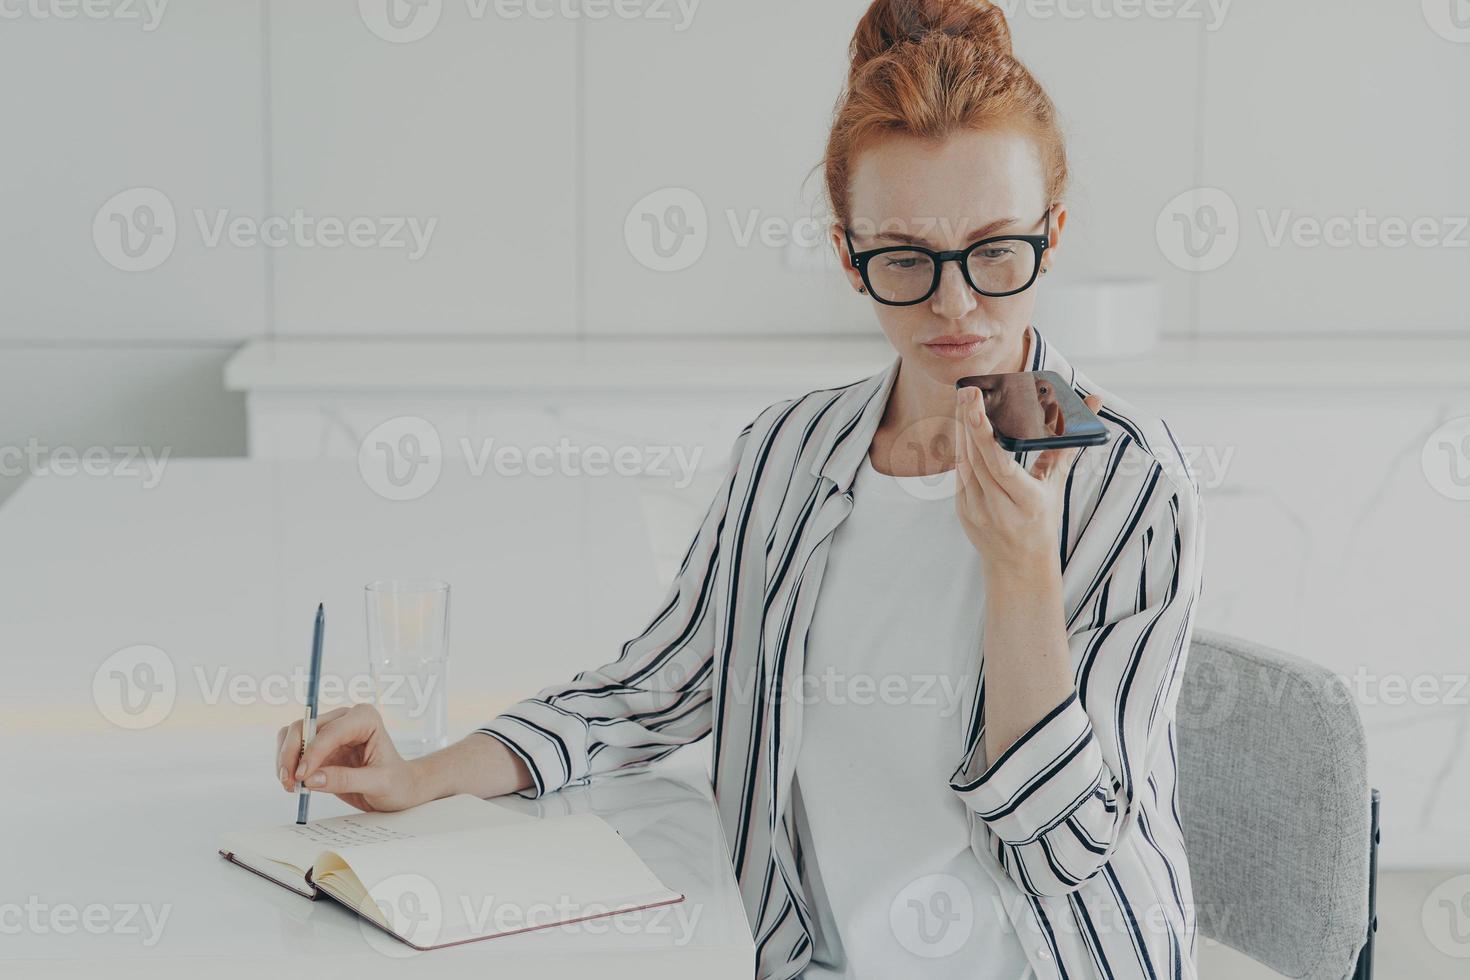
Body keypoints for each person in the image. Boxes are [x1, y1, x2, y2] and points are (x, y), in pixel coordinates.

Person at [275, 2, 1205, 977]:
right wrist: (418, 774)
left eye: (996, 251)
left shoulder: (1131, 486)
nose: (955, 301)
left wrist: (1020, 573)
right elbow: (647, 694)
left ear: (1052, 235)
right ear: (848, 257)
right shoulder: (785, 456)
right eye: (903, 259)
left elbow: (1061, 856)